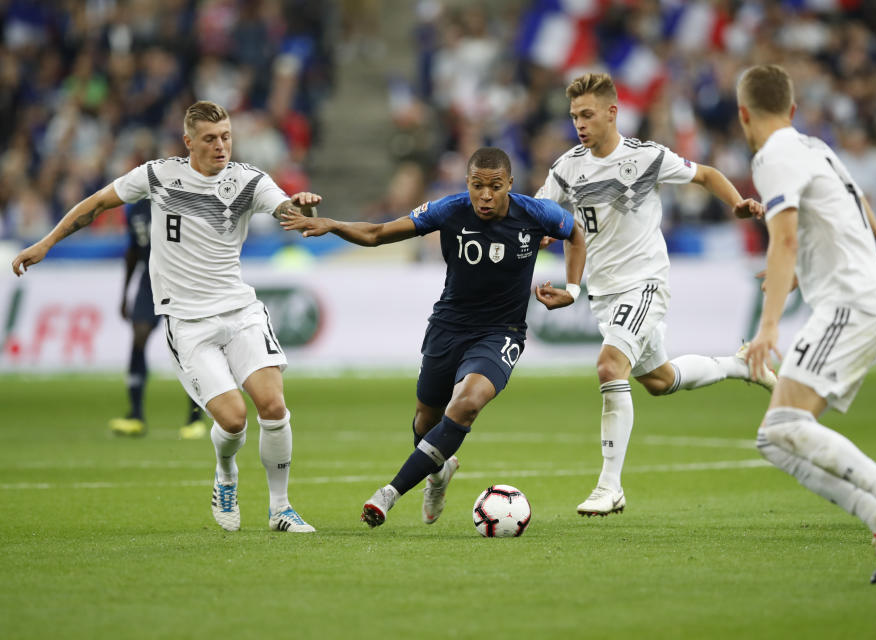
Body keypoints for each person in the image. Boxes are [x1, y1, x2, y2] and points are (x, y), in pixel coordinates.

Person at [12, 100, 321, 534]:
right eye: (211, 139)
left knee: (273, 405)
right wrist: (46, 243)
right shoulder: (158, 175)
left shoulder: (249, 181)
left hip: (240, 311)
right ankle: (225, 472)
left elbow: (288, 211)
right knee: (233, 421)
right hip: (188, 323)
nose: (221, 146)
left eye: (226, 137)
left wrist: (302, 208)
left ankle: (280, 508)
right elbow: (98, 203)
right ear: (188, 141)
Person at [281, 147, 585, 528]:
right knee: (426, 421)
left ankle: (388, 493)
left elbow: (575, 232)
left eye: (494, 186)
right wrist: (334, 224)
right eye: (477, 186)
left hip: (501, 332)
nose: (485, 196)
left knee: (468, 403)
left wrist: (573, 290)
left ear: (510, 184)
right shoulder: (448, 210)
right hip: (449, 327)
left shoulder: (535, 213)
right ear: (467, 184)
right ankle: (438, 473)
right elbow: (377, 234)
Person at [736, 64, 876, 584]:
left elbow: (782, 239)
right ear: (794, 110)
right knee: (773, 438)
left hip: (849, 304)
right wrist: (809, 269)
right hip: (861, 298)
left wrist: (769, 326)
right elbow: (868, 221)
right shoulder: (815, 148)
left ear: (743, 115)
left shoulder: (773, 156)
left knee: (786, 425)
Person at [535, 72, 772, 517]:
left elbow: (704, 174)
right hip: (604, 293)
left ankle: (609, 486)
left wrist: (737, 202)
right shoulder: (567, 168)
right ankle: (740, 365)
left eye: (587, 115)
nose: (579, 125)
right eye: (573, 117)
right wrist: (547, 242)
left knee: (609, 365)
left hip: (645, 283)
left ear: (611, 112)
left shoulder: (645, 158)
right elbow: (546, 216)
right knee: (659, 381)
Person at [108, 199, 207, 440]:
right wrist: (125, 293)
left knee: (187, 345)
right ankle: (136, 415)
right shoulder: (137, 209)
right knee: (139, 336)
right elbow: (133, 250)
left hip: (182, 278)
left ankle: (195, 417)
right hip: (149, 278)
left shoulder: (179, 200)